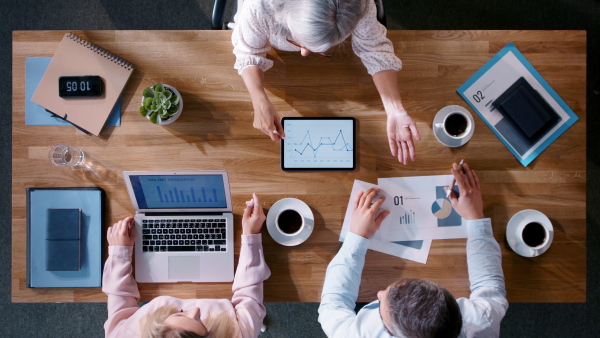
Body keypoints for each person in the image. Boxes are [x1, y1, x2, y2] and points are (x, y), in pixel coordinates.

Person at [318, 163, 509, 337]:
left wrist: (356, 237)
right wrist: (476, 219)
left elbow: (332, 308)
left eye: (381, 313)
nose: (379, 294)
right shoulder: (482, 320)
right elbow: (490, 286)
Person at [232, 0, 421, 165]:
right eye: (300, 43)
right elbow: (248, 52)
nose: (305, 53)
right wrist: (258, 99)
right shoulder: (260, 6)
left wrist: (395, 109)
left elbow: (374, 48)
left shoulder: (358, 5)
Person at [102, 193, 270, 338]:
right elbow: (249, 296)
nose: (195, 310)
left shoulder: (123, 334)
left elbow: (119, 301)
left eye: (179, 313)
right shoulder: (238, 334)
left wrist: (119, 252)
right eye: (201, 324)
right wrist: (251, 235)